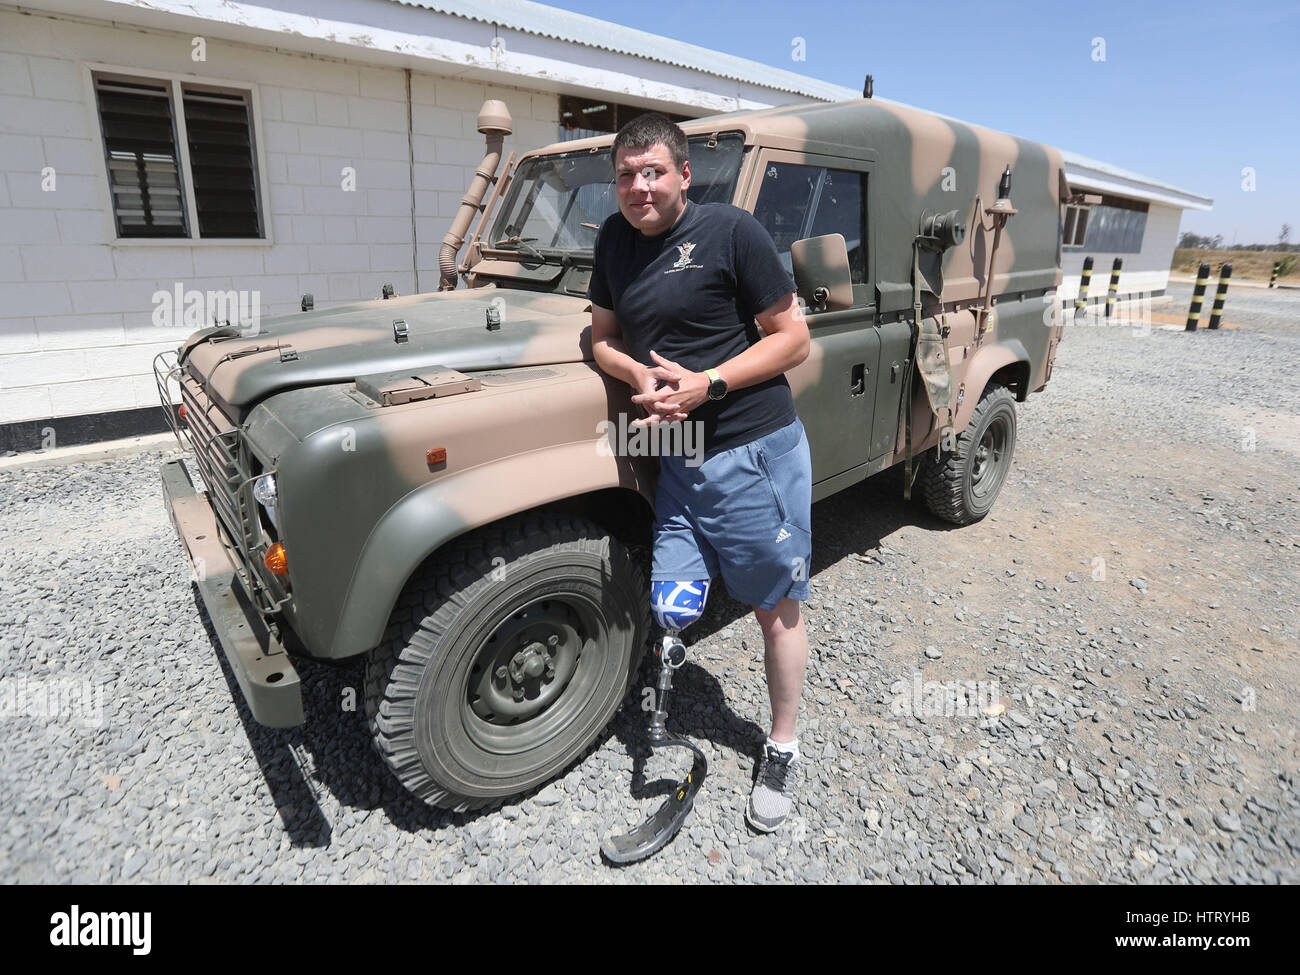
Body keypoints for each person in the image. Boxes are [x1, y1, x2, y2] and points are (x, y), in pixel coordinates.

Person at [587, 112, 813, 833]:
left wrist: (706, 384)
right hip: (679, 459)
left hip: (750, 450)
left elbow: (794, 339)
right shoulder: (613, 241)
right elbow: (601, 337)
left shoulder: (731, 233)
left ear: (685, 174)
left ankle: (781, 743)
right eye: (626, 174)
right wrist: (639, 379)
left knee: (773, 606)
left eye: (653, 171)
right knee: (675, 602)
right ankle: (664, 704)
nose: (638, 186)